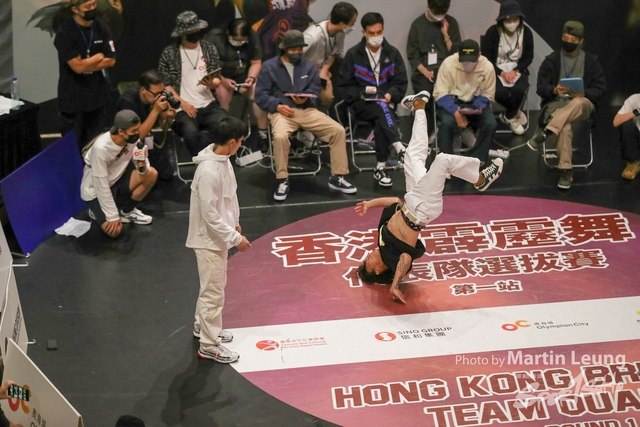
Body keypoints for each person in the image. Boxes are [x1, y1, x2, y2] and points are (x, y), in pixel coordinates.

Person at [355, 92, 504, 303]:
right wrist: (395, 284)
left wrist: (369, 204)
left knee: (413, 155)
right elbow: (406, 260)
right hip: (423, 208)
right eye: (367, 264)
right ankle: (479, 178)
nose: (366, 258)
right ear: (377, 270)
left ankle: (419, 106)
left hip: (411, 199)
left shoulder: (381, 237)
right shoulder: (392, 258)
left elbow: (394, 202)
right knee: (442, 161)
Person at [255, 30, 357, 201]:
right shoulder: (269, 67)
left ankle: (337, 177)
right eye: (293, 49)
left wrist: (306, 99)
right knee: (280, 137)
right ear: (285, 48)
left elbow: (315, 92)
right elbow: (260, 95)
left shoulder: (309, 67)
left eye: (299, 49)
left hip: (306, 110)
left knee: (338, 130)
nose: (297, 52)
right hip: (282, 112)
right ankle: (282, 179)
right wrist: (277, 106)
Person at [186, 117, 252, 363]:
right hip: (208, 240)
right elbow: (210, 216)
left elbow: (230, 195)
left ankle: (201, 326)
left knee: (212, 286)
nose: (241, 145)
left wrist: (235, 220)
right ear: (232, 142)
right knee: (213, 292)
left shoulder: (223, 160)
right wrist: (236, 238)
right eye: (241, 141)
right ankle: (209, 344)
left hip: (219, 236)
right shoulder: (207, 172)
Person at [527, 21, 606, 190]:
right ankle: (566, 170)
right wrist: (554, 90)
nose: (568, 42)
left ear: (580, 41)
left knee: (578, 102)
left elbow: (600, 89)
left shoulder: (591, 62)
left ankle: (546, 132)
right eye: (565, 38)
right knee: (564, 128)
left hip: (583, 104)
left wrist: (584, 93)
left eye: (573, 40)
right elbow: (541, 87)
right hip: (557, 105)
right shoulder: (552, 60)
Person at [337, 12, 408, 188]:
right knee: (381, 108)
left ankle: (380, 167)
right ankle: (398, 147)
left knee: (381, 113)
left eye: (379, 32)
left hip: (386, 104)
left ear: (383, 30)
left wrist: (391, 94)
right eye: (372, 33)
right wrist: (360, 94)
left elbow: (400, 82)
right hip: (361, 105)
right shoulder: (354, 54)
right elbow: (343, 86)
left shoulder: (392, 53)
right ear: (364, 32)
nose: (376, 36)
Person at [158, 11, 227, 157]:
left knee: (226, 126)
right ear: (182, 34)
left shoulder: (209, 49)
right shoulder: (170, 53)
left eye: (197, 30)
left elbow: (217, 80)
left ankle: (219, 160)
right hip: (183, 107)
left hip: (208, 104)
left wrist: (210, 83)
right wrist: (183, 104)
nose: (195, 34)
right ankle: (202, 161)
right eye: (191, 32)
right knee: (190, 132)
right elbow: (166, 85)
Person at [81, 110, 158, 238]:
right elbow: (101, 184)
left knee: (151, 174)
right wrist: (112, 216)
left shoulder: (132, 139)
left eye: (138, 129)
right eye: (134, 130)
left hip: (116, 180)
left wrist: (142, 167)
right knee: (114, 232)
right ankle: (96, 211)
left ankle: (128, 211)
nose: (137, 133)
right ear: (121, 131)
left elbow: (141, 165)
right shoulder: (101, 148)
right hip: (95, 190)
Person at [54, 0, 116, 152]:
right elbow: (77, 67)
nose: (92, 8)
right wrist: (98, 56)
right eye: (87, 7)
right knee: (72, 148)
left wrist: (85, 63)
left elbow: (111, 60)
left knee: (95, 146)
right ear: (75, 9)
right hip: (72, 99)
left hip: (96, 97)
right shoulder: (65, 32)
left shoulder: (101, 27)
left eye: (94, 4)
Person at [204, 18, 269, 148]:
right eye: (235, 40)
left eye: (242, 41)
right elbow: (208, 65)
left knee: (259, 94)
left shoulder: (252, 37)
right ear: (228, 33)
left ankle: (263, 135)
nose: (238, 43)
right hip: (221, 77)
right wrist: (223, 81)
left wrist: (251, 78)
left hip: (243, 77)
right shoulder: (214, 37)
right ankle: (226, 136)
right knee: (223, 95)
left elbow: (256, 62)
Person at [433, 39, 497, 164]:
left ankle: (477, 159)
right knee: (446, 123)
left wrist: (475, 107)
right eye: (464, 60)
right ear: (459, 54)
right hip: (452, 102)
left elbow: (488, 94)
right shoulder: (448, 64)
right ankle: (446, 161)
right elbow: (440, 93)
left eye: (471, 60)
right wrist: (455, 111)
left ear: (479, 55)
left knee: (490, 123)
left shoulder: (487, 67)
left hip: (475, 103)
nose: (467, 64)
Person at [407, 0, 461, 135]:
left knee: (456, 92)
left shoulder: (451, 23)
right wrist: (424, 71)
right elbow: (413, 55)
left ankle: (453, 128)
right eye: (437, 13)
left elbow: (456, 54)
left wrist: (446, 35)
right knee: (425, 93)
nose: (439, 16)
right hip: (423, 71)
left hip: (447, 71)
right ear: (429, 6)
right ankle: (428, 131)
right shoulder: (418, 25)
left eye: (442, 13)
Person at [481, 0, 533, 135]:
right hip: (495, 69)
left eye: (515, 19)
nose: (512, 23)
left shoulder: (526, 32)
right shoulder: (492, 32)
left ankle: (508, 116)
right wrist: (501, 73)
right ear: (502, 20)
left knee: (519, 90)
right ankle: (515, 112)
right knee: (499, 92)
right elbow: (486, 58)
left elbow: (528, 57)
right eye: (508, 20)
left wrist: (516, 70)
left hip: (518, 68)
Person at [303, 2, 358, 113]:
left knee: (328, 98)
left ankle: (319, 118)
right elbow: (292, 57)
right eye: (352, 23)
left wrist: (324, 73)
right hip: (303, 70)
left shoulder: (340, 32)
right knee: (310, 98)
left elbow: (334, 54)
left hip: (320, 68)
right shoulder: (313, 36)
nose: (352, 27)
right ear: (342, 24)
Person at [116, 70, 176, 141]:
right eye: (156, 94)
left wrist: (169, 119)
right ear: (143, 90)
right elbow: (136, 137)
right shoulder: (128, 102)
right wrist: (155, 111)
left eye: (162, 92)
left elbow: (163, 128)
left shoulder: (158, 97)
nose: (160, 96)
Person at [613, 94, 640, 180]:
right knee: (627, 125)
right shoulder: (634, 99)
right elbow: (616, 122)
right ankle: (633, 162)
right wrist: (637, 111)